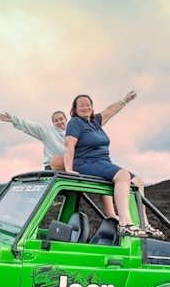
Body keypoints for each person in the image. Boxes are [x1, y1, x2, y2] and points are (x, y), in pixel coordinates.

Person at [64, 91, 164, 238]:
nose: (85, 107)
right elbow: (69, 146)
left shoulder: (95, 122)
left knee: (137, 181)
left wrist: (124, 100)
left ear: (92, 106)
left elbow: (110, 111)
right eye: (81, 105)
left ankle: (144, 224)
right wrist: (68, 170)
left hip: (103, 162)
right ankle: (124, 223)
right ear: (75, 109)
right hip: (86, 162)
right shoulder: (75, 123)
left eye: (88, 104)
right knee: (122, 175)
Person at [0, 111, 67, 170]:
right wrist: (13, 119)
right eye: (56, 120)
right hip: (52, 167)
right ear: (53, 123)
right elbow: (31, 125)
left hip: (69, 166)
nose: (59, 122)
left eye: (61, 119)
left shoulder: (73, 133)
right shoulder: (47, 131)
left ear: (65, 119)